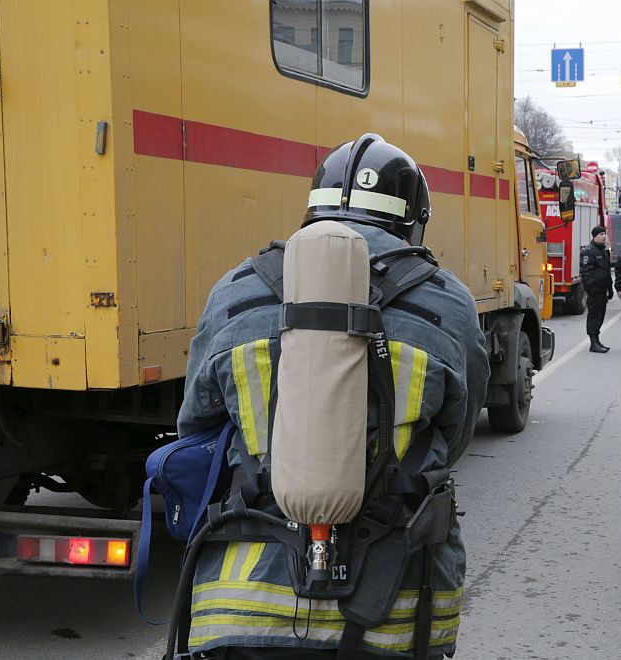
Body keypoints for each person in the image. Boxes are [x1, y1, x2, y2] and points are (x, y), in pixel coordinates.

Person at [175, 134, 490, 658]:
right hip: (394, 610)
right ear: (414, 220)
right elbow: (455, 436)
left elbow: (196, 430)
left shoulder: (235, 289)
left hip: (240, 602)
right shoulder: (448, 302)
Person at [580, 225, 613, 353]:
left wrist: (609, 289)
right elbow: (586, 273)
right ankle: (593, 342)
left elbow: (606, 272)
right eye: (600, 234)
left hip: (602, 290)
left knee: (600, 316)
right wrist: (592, 289)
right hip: (595, 291)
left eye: (604, 234)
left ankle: (597, 340)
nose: (604, 236)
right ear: (594, 236)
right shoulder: (589, 251)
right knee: (594, 316)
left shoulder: (603, 251)